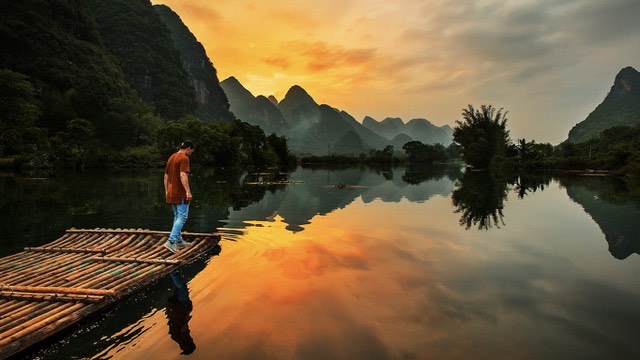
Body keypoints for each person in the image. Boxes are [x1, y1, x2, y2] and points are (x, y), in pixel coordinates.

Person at [164, 141, 194, 253]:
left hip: (171, 192)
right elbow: (183, 175)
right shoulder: (184, 158)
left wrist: (167, 191)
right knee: (182, 217)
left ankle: (179, 241)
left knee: (177, 216)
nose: (191, 153)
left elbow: (166, 176)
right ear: (189, 148)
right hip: (180, 193)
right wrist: (188, 192)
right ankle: (171, 241)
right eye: (191, 151)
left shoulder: (172, 157)